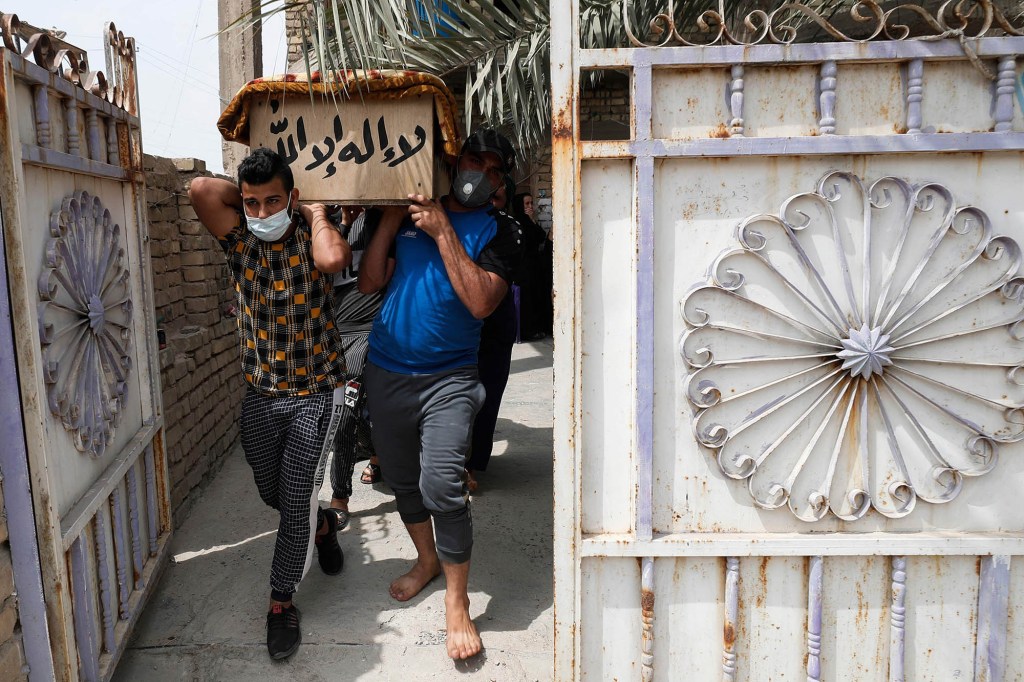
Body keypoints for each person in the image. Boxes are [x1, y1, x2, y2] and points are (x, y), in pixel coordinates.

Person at [359, 129, 523, 660]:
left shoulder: (502, 231)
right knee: (404, 481)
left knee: (444, 484)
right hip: (386, 370)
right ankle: (427, 560)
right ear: (456, 161)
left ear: (501, 182)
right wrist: (390, 218)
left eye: (495, 169)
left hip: (449, 379)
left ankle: (457, 601)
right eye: (476, 160)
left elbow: (480, 302)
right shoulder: (407, 217)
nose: (482, 173)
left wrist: (442, 230)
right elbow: (366, 284)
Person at [189, 147, 350, 660]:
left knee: (295, 495)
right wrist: (253, 199)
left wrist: (312, 212)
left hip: (316, 392)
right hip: (262, 395)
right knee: (272, 491)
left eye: (272, 202)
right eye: (252, 203)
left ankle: (281, 604)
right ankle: (322, 525)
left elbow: (334, 260)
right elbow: (200, 191)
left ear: (293, 199)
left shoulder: (310, 236)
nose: (260, 213)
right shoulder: (238, 242)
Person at [324, 206, 387, 529]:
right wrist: (343, 223)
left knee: (348, 411)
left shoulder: (382, 219)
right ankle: (375, 456)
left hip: (369, 330)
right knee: (354, 409)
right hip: (331, 333)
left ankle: (339, 497)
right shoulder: (327, 221)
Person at [465, 177, 520, 490]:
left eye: (500, 198)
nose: (493, 202)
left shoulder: (510, 229)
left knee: (486, 396)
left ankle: (472, 465)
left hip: (496, 325)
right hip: (464, 324)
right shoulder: (467, 226)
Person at [514, 192, 552, 340]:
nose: (530, 207)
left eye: (531, 203)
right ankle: (528, 331)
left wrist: (531, 220)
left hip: (534, 266)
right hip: (523, 267)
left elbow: (540, 236)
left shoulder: (529, 221)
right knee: (527, 299)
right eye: (527, 204)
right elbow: (533, 237)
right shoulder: (518, 223)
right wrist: (530, 221)